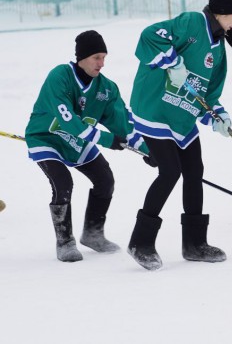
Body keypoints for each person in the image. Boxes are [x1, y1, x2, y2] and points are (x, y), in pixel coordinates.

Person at [127, 0, 232, 270]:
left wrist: (217, 115)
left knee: (194, 170)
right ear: (220, 12)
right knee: (170, 172)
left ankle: (194, 243)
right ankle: (140, 242)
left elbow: (208, 93)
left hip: (181, 116)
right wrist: (172, 60)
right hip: (154, 109)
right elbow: (149, 37)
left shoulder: (220, 50)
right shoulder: (192, 23)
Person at [25, 30, 150, 262]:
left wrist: (150, 151)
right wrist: (105, 140)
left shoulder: (107, 89)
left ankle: (93, 234)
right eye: (96, 57)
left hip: (79, 142)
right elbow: (68, 121)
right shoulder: (60, 76)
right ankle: (65, 241)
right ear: (81, 57)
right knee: (63, 183)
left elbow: (123, 125)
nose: (102, 63)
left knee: (105, 180)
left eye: (104, 57)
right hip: (46, 138)